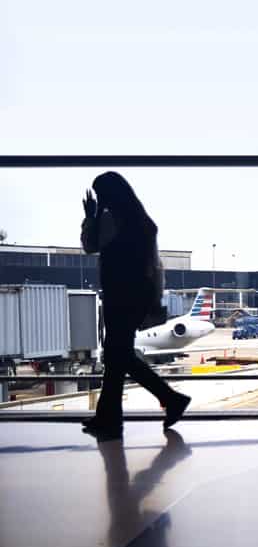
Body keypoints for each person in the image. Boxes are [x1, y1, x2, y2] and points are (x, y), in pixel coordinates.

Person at [80, 172, 190, 442]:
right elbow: (153, 266)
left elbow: (90, 246)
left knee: (117, 355)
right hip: (138, 295)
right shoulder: (142, 222)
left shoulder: (110, 219)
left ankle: (168, 398)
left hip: (119, 295)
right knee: (118, 356)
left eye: (101, 193)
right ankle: (110, 419)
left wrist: (90, 217)